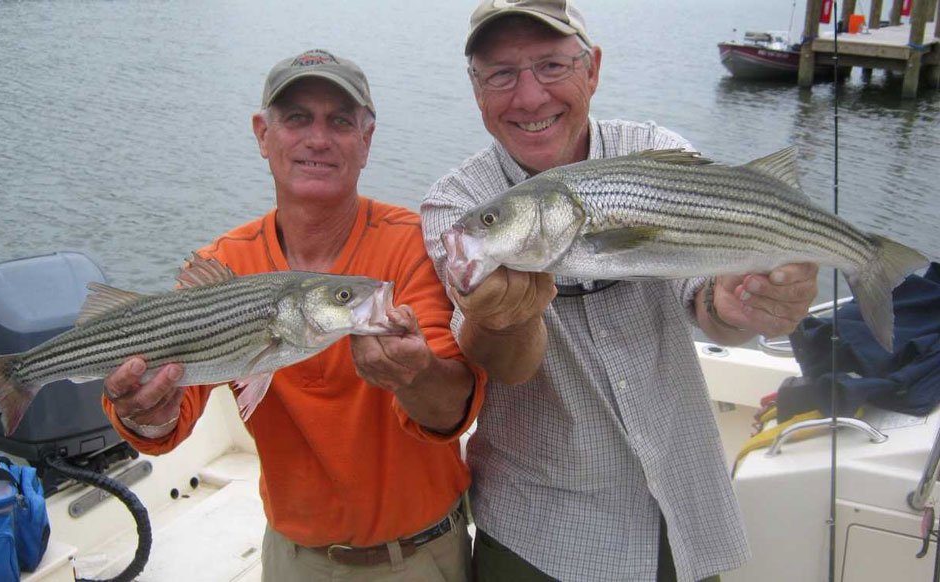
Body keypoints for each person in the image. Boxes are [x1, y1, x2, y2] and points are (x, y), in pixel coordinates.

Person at [420, 2, 819, 581]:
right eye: (501, 74)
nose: (530, 97)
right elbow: (506, 365)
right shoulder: (458, 208)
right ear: (476, 91)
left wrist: (740, 307)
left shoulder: (654, 150)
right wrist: (500, 319)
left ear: (593, 69)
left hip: (684, 516)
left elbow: (708, 303)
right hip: (542, 533)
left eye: (552, 66)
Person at [100, 49, 486, 582]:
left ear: (367, 141)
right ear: (263, 134)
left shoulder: (410, 247)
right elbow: (167, 423)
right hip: (291, 561)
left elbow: (450, 412)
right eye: (297, 118)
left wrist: (416, 372)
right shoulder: (222, 265)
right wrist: (147, 409)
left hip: (422, 558)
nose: (318, 139)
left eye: (340, 121)